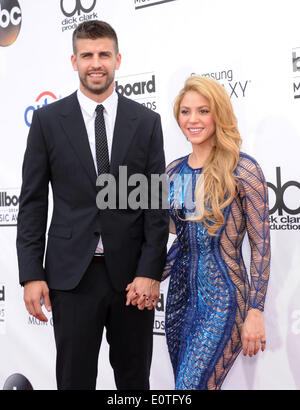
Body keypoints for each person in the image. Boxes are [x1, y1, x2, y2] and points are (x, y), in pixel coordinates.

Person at [16, 20, 169, 390]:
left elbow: (154, 205)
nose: (95, 63)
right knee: (74, 380)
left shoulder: (146, 122)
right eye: (87, 55)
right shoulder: (48, 121)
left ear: (118, 59)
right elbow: (33, 203)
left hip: (131, 279)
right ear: (74, 61)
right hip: (71, 279)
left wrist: (149, 272)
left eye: (103, 54)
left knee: (135, 382)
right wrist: (32, 273)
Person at [163, 75, 271, 390]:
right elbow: (182, 245)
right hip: (180, 300)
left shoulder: (242, 170)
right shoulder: (173, 172)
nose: (193, 120)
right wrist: (149, 277)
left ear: (218, 114)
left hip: (224, 300)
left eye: (203, 111)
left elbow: (261, 245)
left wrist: (256, 310)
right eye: (185, 112)